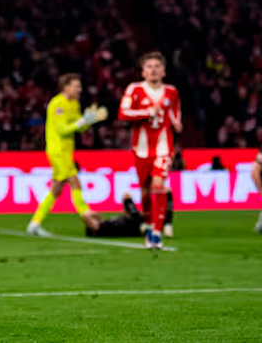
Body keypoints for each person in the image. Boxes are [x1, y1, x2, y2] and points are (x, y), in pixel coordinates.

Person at [26, 74, 106, 236]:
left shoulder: (74, 103)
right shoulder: (57, 104)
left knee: (56, 189)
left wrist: (89, 120)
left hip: (67, 152)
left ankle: (35, 223)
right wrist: (82, 121)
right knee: (74, 181)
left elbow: (78, 126)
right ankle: (85, 213)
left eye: (79, 86)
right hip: (57, 151)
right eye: (76, 86)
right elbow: (63, 130)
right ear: (66, 87)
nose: (79, 89)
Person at [118, 52, 182, 250]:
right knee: (145, 191)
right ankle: (147, 221)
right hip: (141, 149)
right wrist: (146, 112)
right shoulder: (134, 89)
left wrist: (177, 123)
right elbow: (123, 113)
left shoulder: (171, 92)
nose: (153, 70)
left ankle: (156, 231)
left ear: (163, 72)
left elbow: (175, 113)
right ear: (143, 72)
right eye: (149, 67)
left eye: (157, 66)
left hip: (164, 147)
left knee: (158, 185)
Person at [84, 191, 174, 238]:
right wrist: (96, 215)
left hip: (134, 224)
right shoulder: (102, 229)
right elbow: (86, 216)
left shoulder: (106, 225)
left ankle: (158, 226)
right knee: (127, 197)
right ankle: (164, 225)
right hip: (134, 222)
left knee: (156, 215)